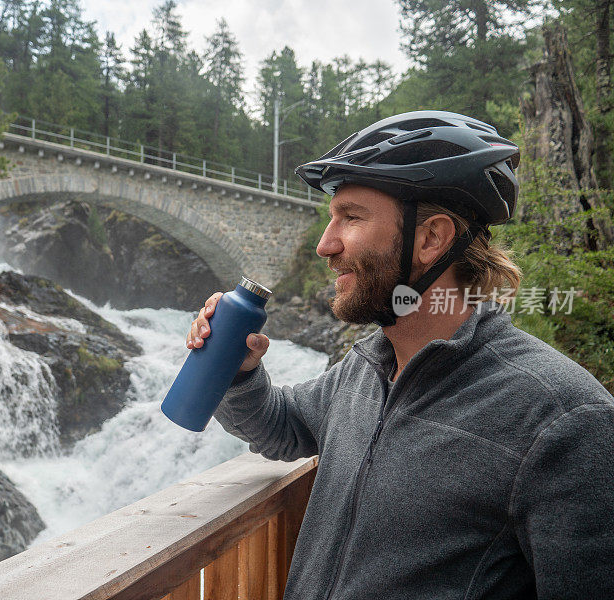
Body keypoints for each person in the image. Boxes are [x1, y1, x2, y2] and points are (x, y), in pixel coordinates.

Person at [185, 111, 614, 599]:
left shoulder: (564, 420)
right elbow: (281, 425)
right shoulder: (365, 367)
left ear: (432, 238)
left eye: (351, 217)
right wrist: (240, 373)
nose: (325, 245)